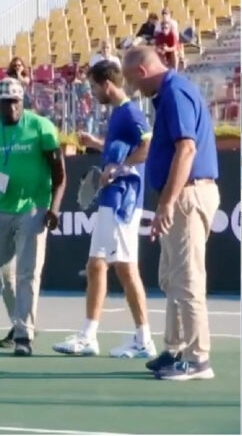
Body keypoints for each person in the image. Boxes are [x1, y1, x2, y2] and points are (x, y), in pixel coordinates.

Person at [122, 47, 220, 380]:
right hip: (183, 195)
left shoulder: (175, 92)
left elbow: (187, 148)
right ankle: (176, 349)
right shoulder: (170, 94)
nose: (131, 88)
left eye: (131, 79)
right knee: (172, 277)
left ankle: (198, 359)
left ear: (142, 70)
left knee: (187, 279)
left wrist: (167, 202)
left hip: (187, 195)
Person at [52, 60, 156, 358]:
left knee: (126, 268)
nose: (93, 92)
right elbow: (121, 150)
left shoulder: (130, 112)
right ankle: (88, 336)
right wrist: (98, 144)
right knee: (96, 265)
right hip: (111, 198)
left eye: (94, 86)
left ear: (106, 84)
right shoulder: (118, 117)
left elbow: (148, 144)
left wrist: (120, 168)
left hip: (124, 201)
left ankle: (144, 339)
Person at [0, 77, 66, 356]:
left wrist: (54, 207)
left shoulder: (41, 126)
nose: (10, 107)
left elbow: (59, 174)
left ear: (23, 101)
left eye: (15, 101)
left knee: (28, 273)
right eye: (5, 103)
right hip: (3, 208)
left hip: (33, 208)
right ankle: (20, 322)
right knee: (5, 277)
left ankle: (24, 336)